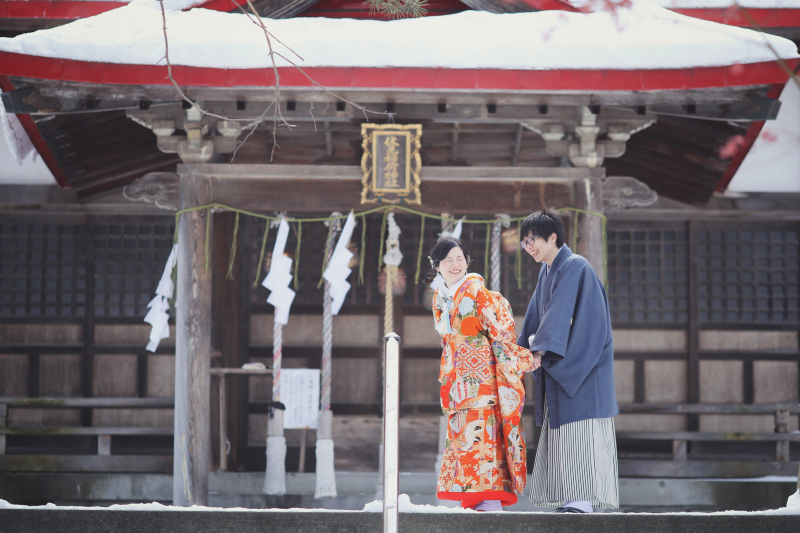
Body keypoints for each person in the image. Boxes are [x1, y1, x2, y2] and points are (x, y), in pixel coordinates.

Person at [516, 208, 619, 513]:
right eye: (525, 242)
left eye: (532, 239)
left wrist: (538, 352)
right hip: (561, 362)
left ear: (553, 236)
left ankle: (581, 500)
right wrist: (522, 352)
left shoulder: (576, 266)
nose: (529, 247)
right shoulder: (548, 271)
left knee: (581, 433)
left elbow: (559, 315)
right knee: (565, 436)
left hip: (583, 365)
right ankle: (570, 498)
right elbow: (538, 317)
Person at [429, 236, 539, 511]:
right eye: (447, 260)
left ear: (467, 261)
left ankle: (489, 503)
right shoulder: (440, 298)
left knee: (483, 440)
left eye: (459, 258)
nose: (455, 264)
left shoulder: (479, 293)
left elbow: (501, 336)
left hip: (483, 385)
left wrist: (525, 358)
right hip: (457, 385)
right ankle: (474, 502)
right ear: (436, 266)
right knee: (464, 443)